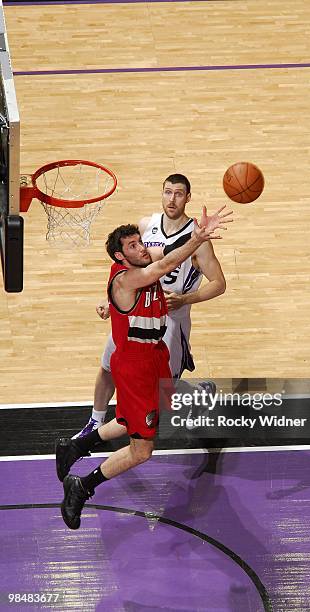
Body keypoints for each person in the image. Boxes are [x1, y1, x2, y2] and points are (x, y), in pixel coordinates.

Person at [57, 206, 232, 529]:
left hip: (156, 355)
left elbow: (169, 251)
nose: (142, 248)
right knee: (142, 452)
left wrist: (199, 237)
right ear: (119, 258)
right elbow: (166, 263)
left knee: (128, 418)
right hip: (135, 365)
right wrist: (198, 237)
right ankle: (81, 487)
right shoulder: (129, 278)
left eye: (140, 242)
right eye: (133, 246)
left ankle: (76, 445)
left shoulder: (140, 261)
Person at [73, 174, 226, 438]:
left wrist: (185, 299)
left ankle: (198, 394)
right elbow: (128, 266)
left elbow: (219, 284)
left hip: (170, 320)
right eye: (168, 192)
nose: (172, 199)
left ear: (188, 197)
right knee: (108, 365)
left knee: (163, 390)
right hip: (135, 314)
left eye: (179, 194)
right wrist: (111, 299)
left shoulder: (199, 240)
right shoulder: (147, 225)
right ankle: (95, 422)